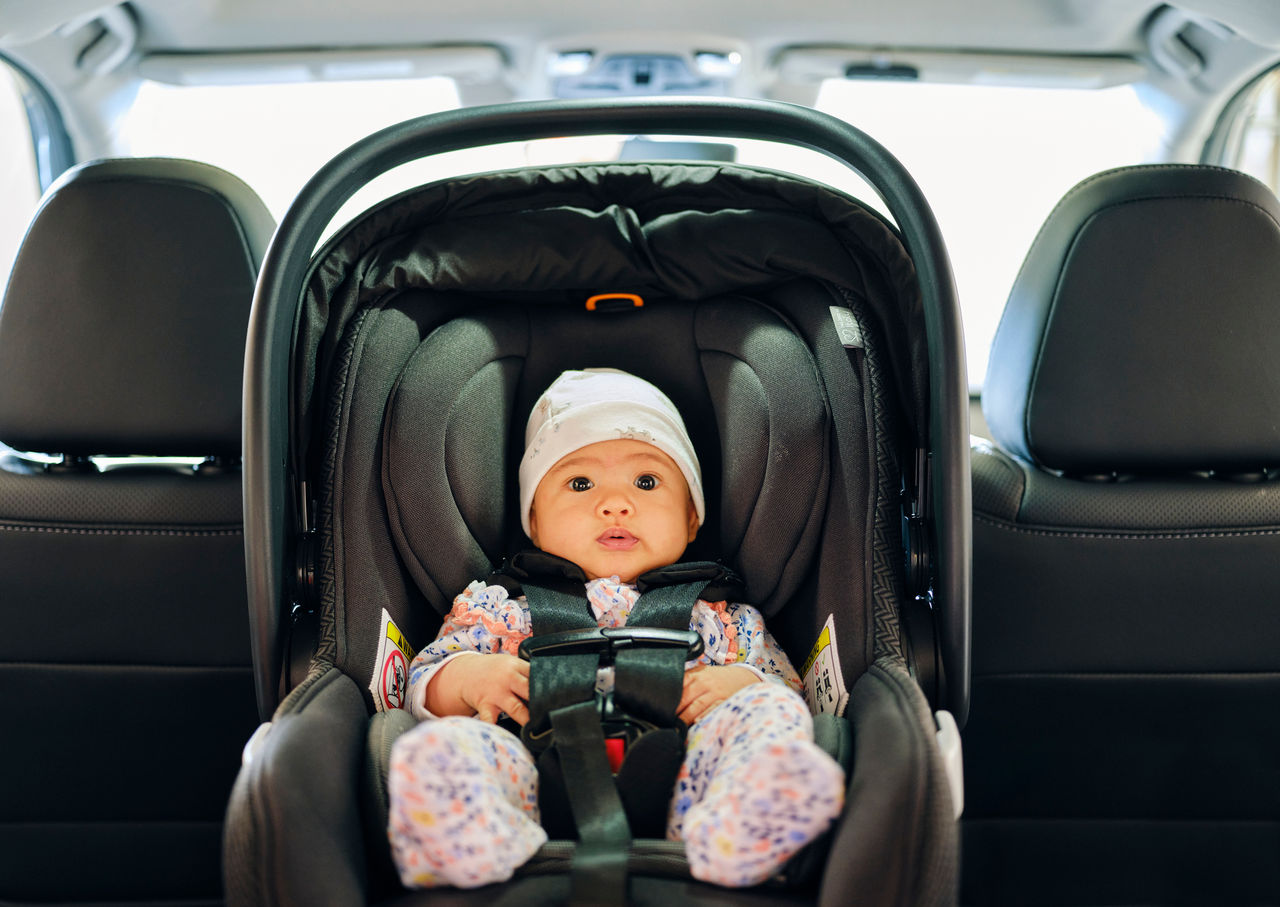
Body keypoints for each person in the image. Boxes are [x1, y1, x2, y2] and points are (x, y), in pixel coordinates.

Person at [387, 368, 845, 889]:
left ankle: (742, 830)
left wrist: (742, 683)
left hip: (691, 779)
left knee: (770, 712)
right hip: (528, 772)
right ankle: (468, 843)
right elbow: (419, 683)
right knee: (443, 746)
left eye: (646, 482)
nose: (615, 503)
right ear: (534, 521)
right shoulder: (498, 609)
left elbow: (787, 688)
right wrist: (468, 677)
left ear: (692, 518)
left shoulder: (723, 618)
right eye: (580, 483)